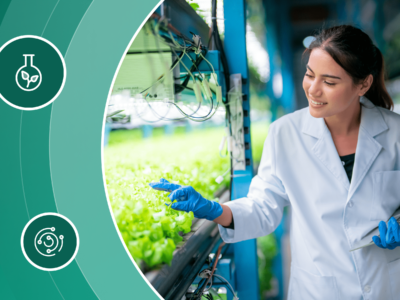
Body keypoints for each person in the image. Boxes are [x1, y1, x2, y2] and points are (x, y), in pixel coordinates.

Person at [150, 25, 400, 299]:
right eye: (309, 75)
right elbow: (263, 208)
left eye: (329, 82)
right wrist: (212, 209)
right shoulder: (285, 133)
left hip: (387, 284)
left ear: (363, 84)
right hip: (320, 289)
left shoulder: (395, 132)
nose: (313, 90)